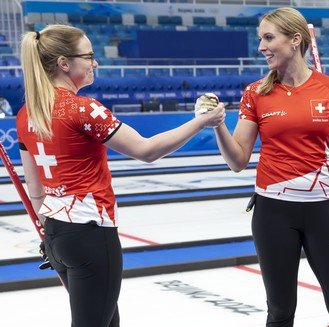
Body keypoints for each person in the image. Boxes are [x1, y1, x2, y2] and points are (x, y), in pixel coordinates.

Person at [16, 25, 225, 327]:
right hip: (90, 233)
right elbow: (147, 150)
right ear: (64, 63)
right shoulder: (83, 109)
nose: (95, 63)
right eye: (88, 56)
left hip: (55, 233)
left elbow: (35, 189)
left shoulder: (27, 112)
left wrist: (50, 233)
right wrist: (202, 122)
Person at [200, 7, 329, 326]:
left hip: (323, 210)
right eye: (260, 38)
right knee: (280, 311)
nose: (261, 46)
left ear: (295, 40)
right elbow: (238, 161)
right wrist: (216, 125)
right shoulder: (255, 94)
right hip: (274, 214)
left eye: (268, 37)